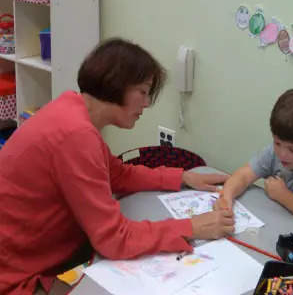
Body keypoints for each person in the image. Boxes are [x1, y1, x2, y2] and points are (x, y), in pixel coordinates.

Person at [0, 38, 234, 295]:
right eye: (143, 92)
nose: (146, 104)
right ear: (117, 85)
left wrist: (183, 177)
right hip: (18, 275)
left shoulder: (71, 108)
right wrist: (192, 227)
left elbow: (117, 174)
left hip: (39, 251)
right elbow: (112, 239)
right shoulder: (75, 134)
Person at [215, 89, 293, 227]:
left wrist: (282, 195)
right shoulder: (273, 152)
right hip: (281, 225)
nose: (282, 154)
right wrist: (226, 197)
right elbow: (244, 175)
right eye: (277, 142)